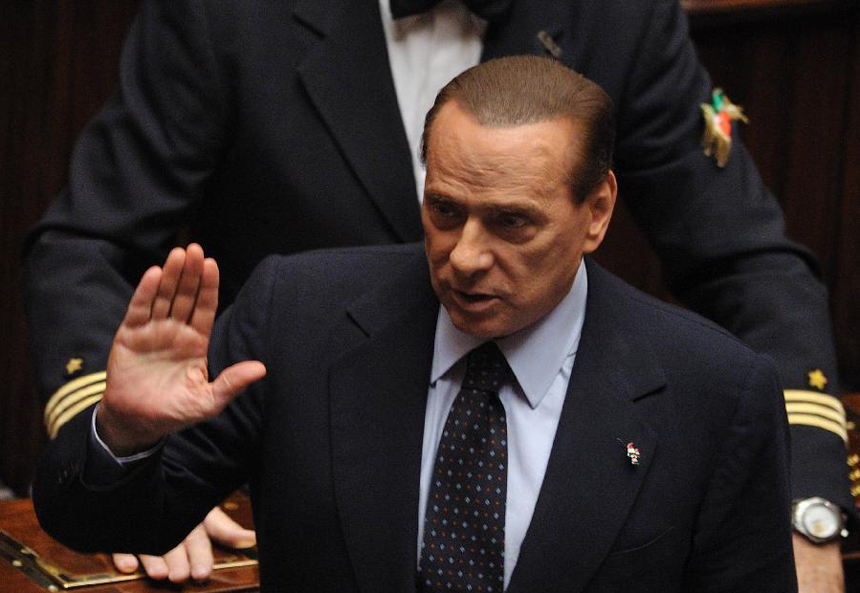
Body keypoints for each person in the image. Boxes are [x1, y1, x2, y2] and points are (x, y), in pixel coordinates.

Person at [23, 0, 848, 588]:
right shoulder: (227, 16)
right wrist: (133, 439)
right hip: (288, 437)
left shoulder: (619, 14)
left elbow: (746, 257)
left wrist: (804, 495)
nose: (465, 258)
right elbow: (88, 243)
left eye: (512, 223)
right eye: (443, 212)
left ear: (597, 212)